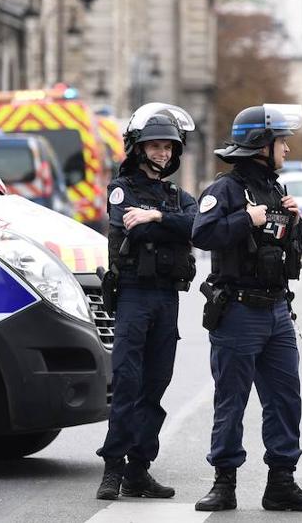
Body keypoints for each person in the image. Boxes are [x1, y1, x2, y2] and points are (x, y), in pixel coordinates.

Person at [191, 104, 302, 513]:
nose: (287, 148)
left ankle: (281, 483)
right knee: (231, 400)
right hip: (238, 311)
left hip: (277, 312)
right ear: (260, 145)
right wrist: (244, 220)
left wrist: (294, 222)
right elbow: (202, 233)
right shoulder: (225, 191)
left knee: (286, 399)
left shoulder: (276, 190)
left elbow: (284, 250)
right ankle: (224, 483)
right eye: (281, 141)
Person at [96, 104, 199, 501]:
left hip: (166, 298)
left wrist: (156, 218)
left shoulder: (178, 196)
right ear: (139, 149)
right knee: (127, 383)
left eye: (168, 147)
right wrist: (165, 224)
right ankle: (113, 468)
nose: (162, 153)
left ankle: (139, 471)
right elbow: (128, 229)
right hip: (135, 295)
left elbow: (198, 227)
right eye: (155, 146)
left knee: (155, 387)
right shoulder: (122, 189)